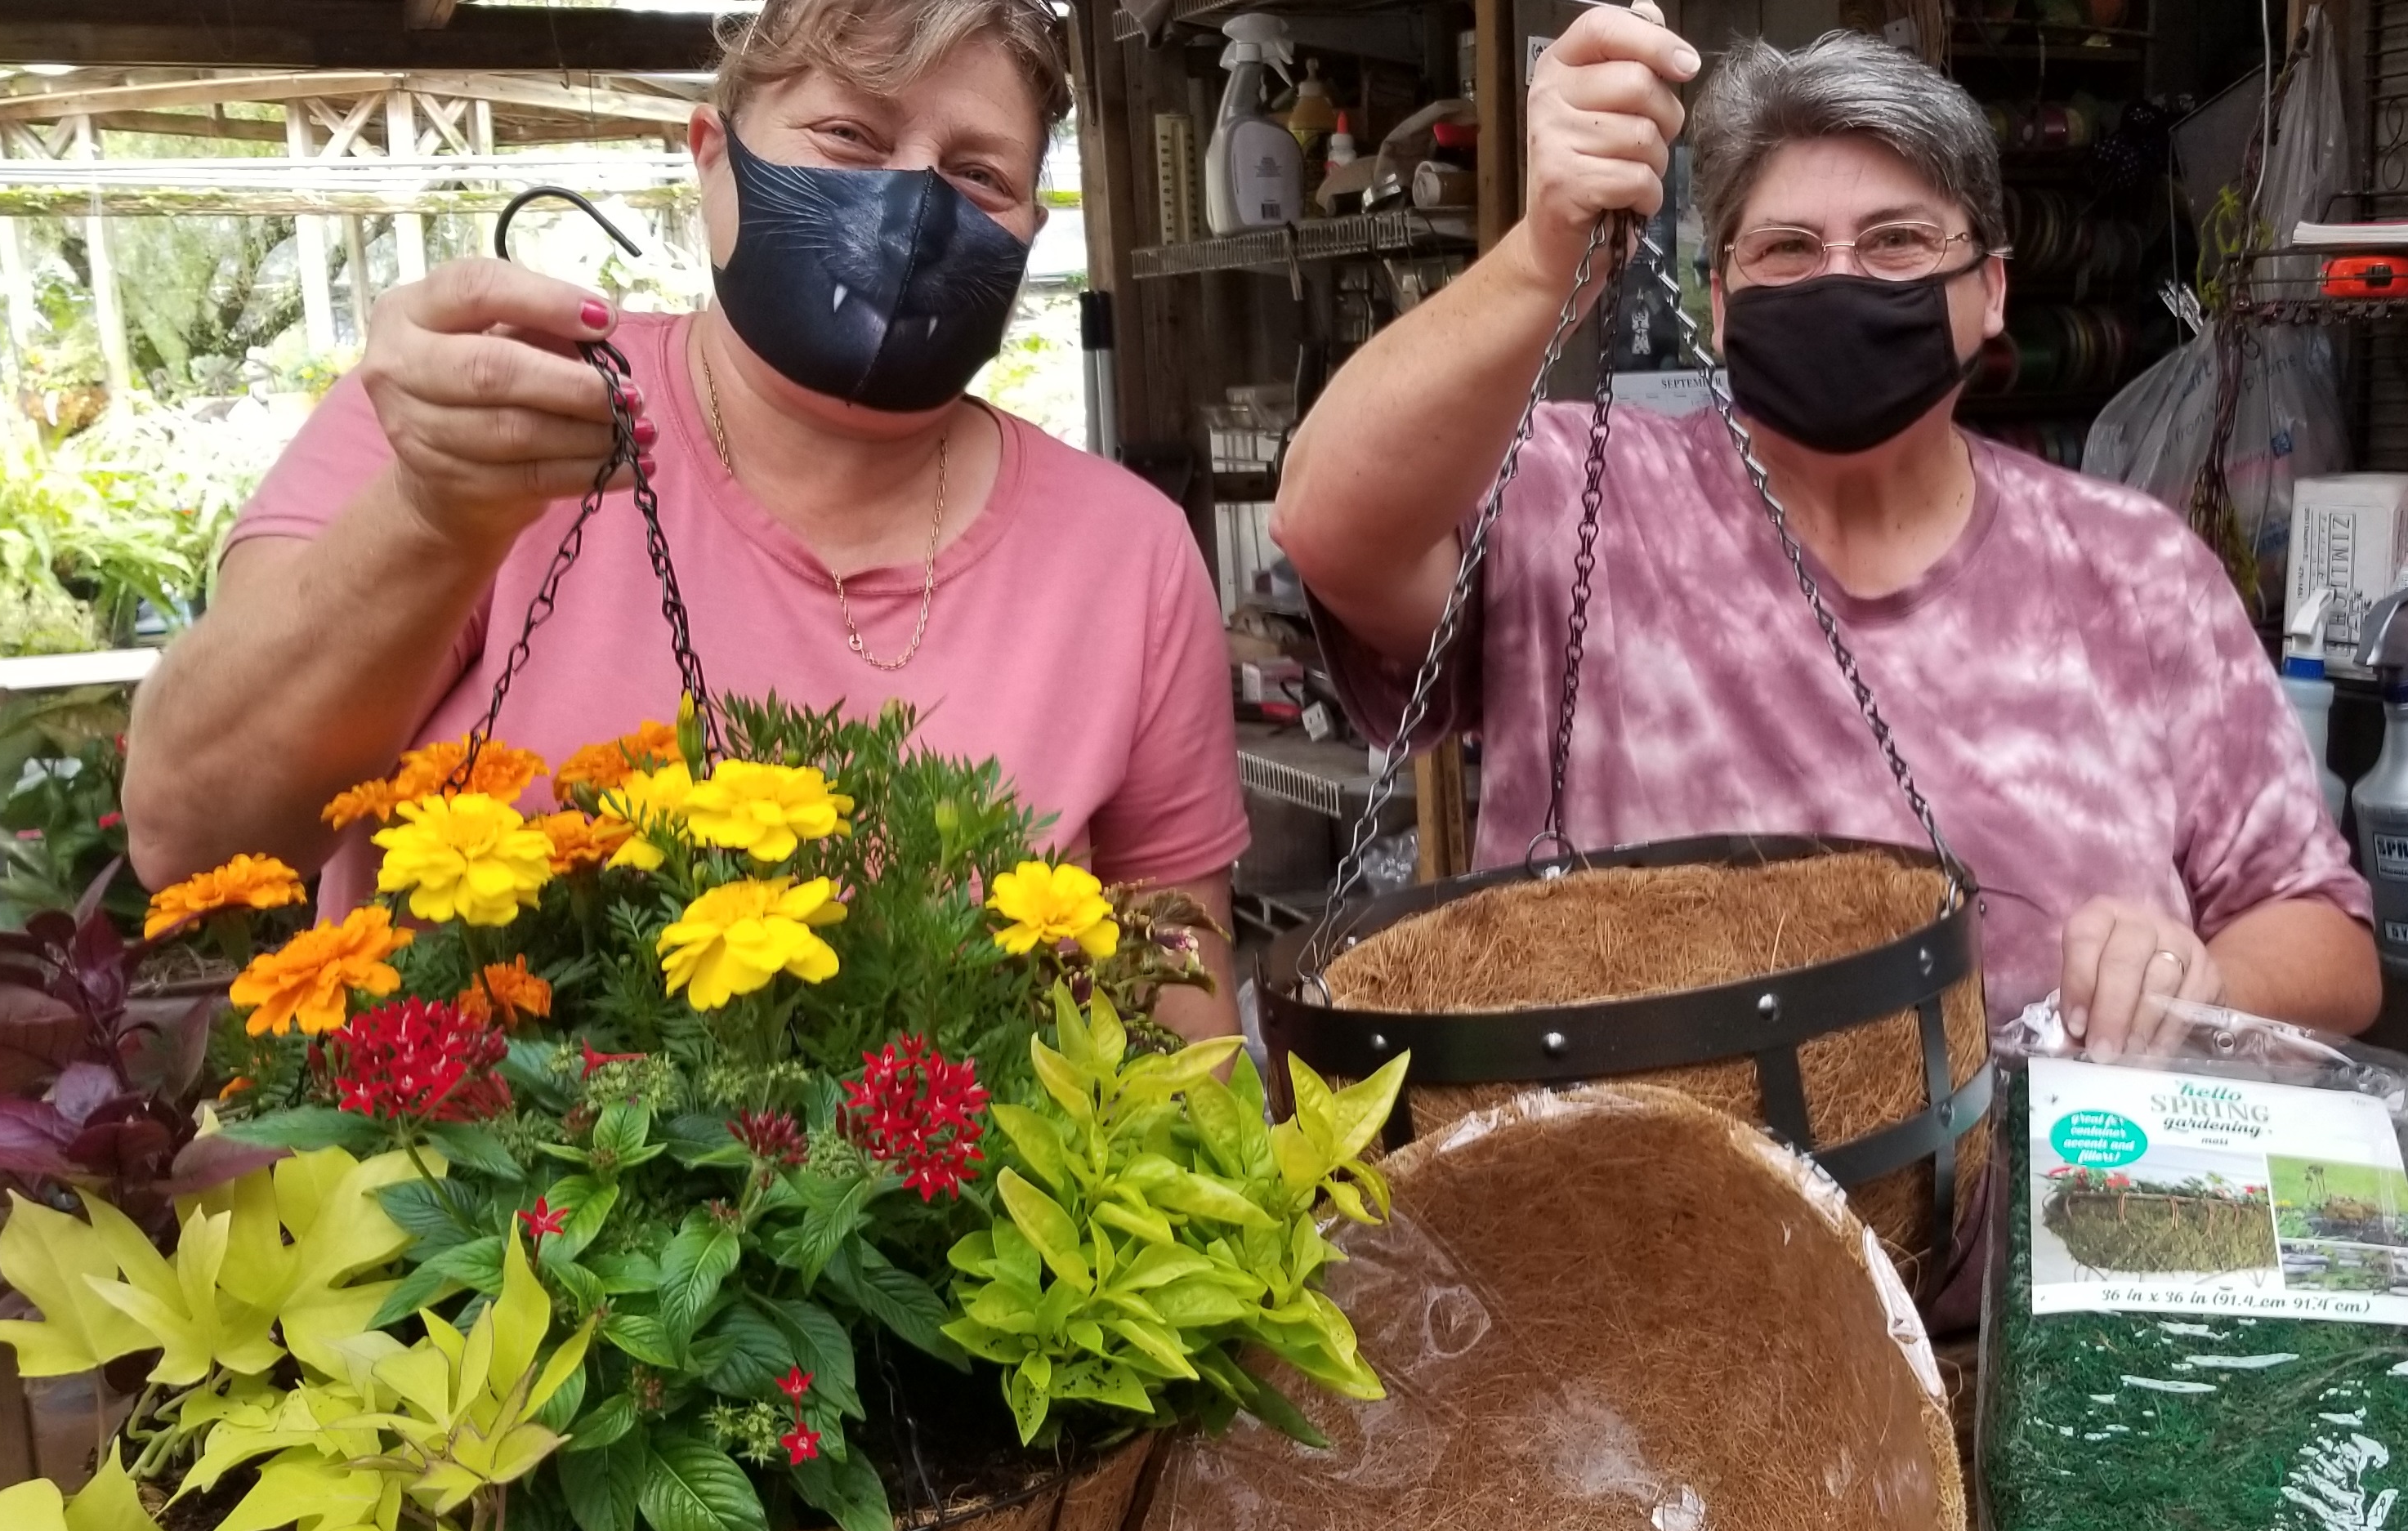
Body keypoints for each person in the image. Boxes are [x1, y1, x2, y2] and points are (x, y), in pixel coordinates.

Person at [123, 0, 1247, 1038]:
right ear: (713, 162)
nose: (912, 207)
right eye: (850, 139)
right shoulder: (484, 417)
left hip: (977, 1235)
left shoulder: (1123, 553)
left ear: (1028, 228)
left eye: (977, 173)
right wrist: (436, 516)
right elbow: (194, 837)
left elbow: (1174, 993)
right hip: (470, 1218)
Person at [1271, 17, 2378, 1059]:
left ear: (1988, 287)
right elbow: (1327, 525)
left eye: (1896, 242)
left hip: (2026, 1240)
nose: (1842, 279)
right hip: (1637, 1234)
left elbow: (2323, 936)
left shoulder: (2132, 572)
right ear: (1716, 302)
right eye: (1788, 250)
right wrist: (1541, 252)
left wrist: (2199, 983)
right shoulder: (1574, 499)